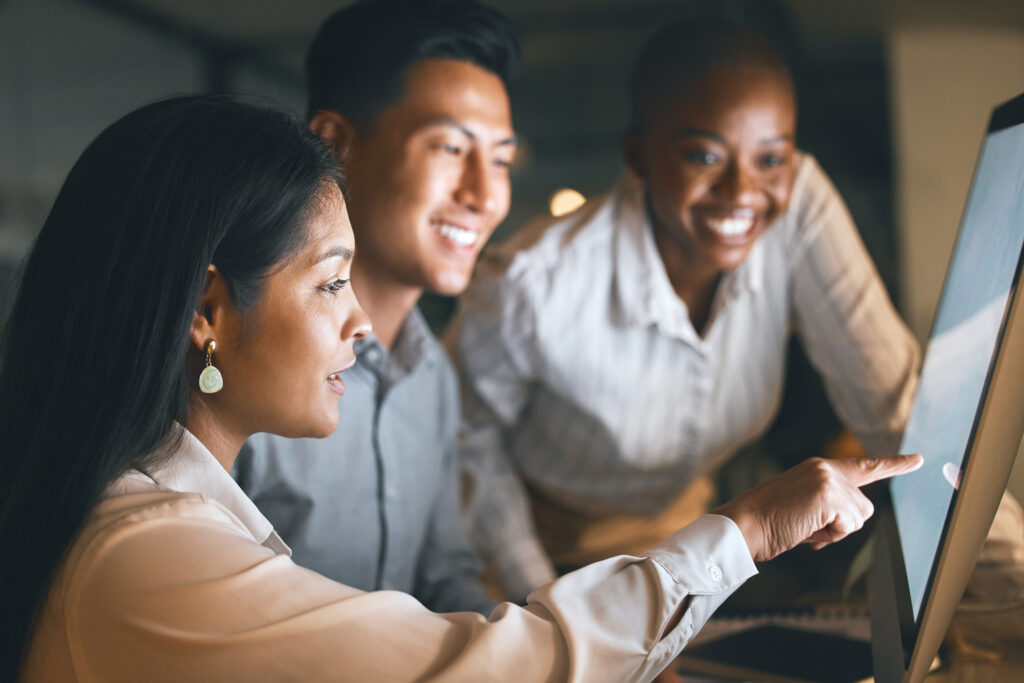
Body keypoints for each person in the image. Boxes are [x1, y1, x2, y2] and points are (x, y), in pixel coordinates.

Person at [0, 95, 921, 683]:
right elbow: (495, 670)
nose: (359, 324)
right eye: (329, 283)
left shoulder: (172, 522)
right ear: (210, 307)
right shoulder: (147, 560)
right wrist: (747, 529)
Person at [447, 19, 922, 601]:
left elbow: (896, 406)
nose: (743, 191)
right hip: (530, 550)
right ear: (638, 156)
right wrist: (550, 605)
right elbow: (467, 438)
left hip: (692, 546)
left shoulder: (798, 208)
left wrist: (1010, 583)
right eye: (704, 154)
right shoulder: (531, 281)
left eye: (771, 159)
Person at [233, 0, 517, 614]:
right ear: (335, 145)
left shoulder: (434, 377)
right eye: (448, 148)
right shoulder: (245, 357)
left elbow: (444, 577)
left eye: (501, 160)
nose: (485, 194)